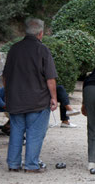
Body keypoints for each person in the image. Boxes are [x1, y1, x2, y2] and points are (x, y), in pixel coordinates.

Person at [3, 18, 58, 172]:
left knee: (16, 132)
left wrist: (8, 95)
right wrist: (54, 98)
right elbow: (50, 78)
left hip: (16, 99)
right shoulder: (42, 50)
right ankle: (31, 165)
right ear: (41, 33)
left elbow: (5, 76)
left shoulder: (14, 49)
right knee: (35, 134)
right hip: (37, 100)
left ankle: (13, 164)